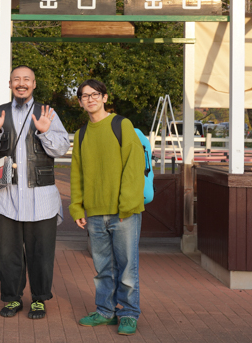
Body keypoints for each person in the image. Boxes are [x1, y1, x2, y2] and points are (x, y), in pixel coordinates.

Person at [0, 65, 70, 319]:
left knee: (41, 253)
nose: (21, 83)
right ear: (10, 84)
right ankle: (11, 298)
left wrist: (45, 131)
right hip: (6, 197)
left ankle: (39, 299)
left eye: (26, 79)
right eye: (16, 79)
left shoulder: (47, 113)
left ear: (34, 84)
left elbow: (61, 148)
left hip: (42, 198)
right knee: (8, 254)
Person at [69, 79, 145, 337]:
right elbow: (77, 174)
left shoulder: (121, 125)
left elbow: (134, 166)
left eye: (95, 94)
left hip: (123, 213)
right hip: (94, 213)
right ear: (80, 102)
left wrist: (127, 206)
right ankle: (105, 311)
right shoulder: (80, 135)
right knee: (103, 269)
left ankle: (128, 313)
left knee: (127, 268)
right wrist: (77, 208)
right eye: (84, 96)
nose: (90, 99)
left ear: (104, 97)